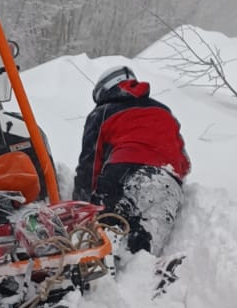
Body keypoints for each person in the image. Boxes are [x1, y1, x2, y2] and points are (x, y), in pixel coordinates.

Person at [74, 65, 190, 255]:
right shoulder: (164, 111)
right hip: (168, 183)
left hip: (122, 173)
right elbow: (184, 162)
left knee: (104, 241)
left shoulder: (101, 113)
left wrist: (81, 206)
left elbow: (90, 163)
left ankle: (106, 274)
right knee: (144, 253)